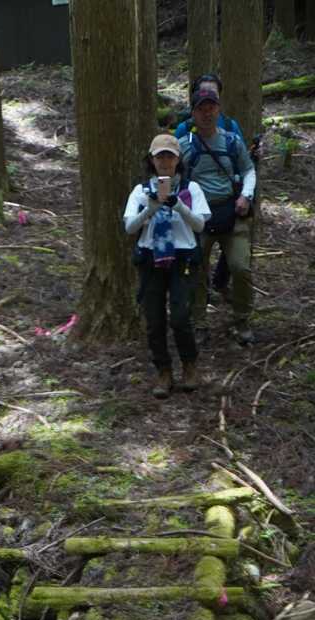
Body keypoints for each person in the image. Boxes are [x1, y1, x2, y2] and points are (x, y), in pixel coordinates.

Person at [124, 132, 210, 397]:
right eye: (159, 156)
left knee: (181, 315)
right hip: (150, 258)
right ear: (151, 160)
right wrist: (150, 209)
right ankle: (163, 371)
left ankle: (189, 366)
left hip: (183, 257)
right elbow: (129, 227)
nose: (164, 162)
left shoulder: (191, 189)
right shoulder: (141, 191)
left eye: (169, 157)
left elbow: (200, 224)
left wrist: (178, 205)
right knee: (154, 318)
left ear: (177, 160)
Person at [178, 81, 257, 344]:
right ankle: (199, 322)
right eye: (201, 109)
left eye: (211, 107)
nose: (207, 113)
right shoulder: (183, 146)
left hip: (232, 212)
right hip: (198, 218)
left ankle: (242, 319)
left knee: (240, 267)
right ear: (193, 113)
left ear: (218, 109)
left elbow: (248, 170)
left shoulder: (232, 142)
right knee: (196, 269)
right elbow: (172, 176)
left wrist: (246, 196)